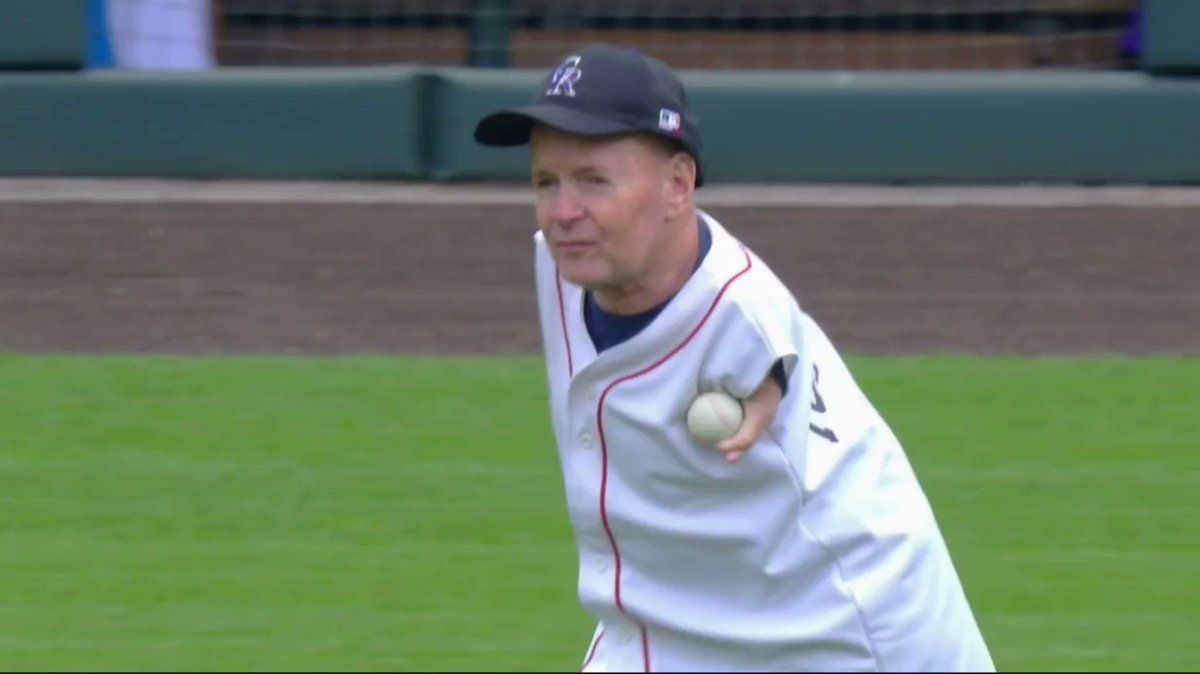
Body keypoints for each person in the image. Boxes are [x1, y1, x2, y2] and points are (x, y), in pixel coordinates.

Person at [474, 43, 995, 673]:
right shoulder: (565, 265)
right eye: (545, 182)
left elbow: (774, 345)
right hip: (665, 626)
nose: (562, 213)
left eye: (594, 181)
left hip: (843, 629)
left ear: (677, 185)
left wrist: (769, 386)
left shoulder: (742, 315)